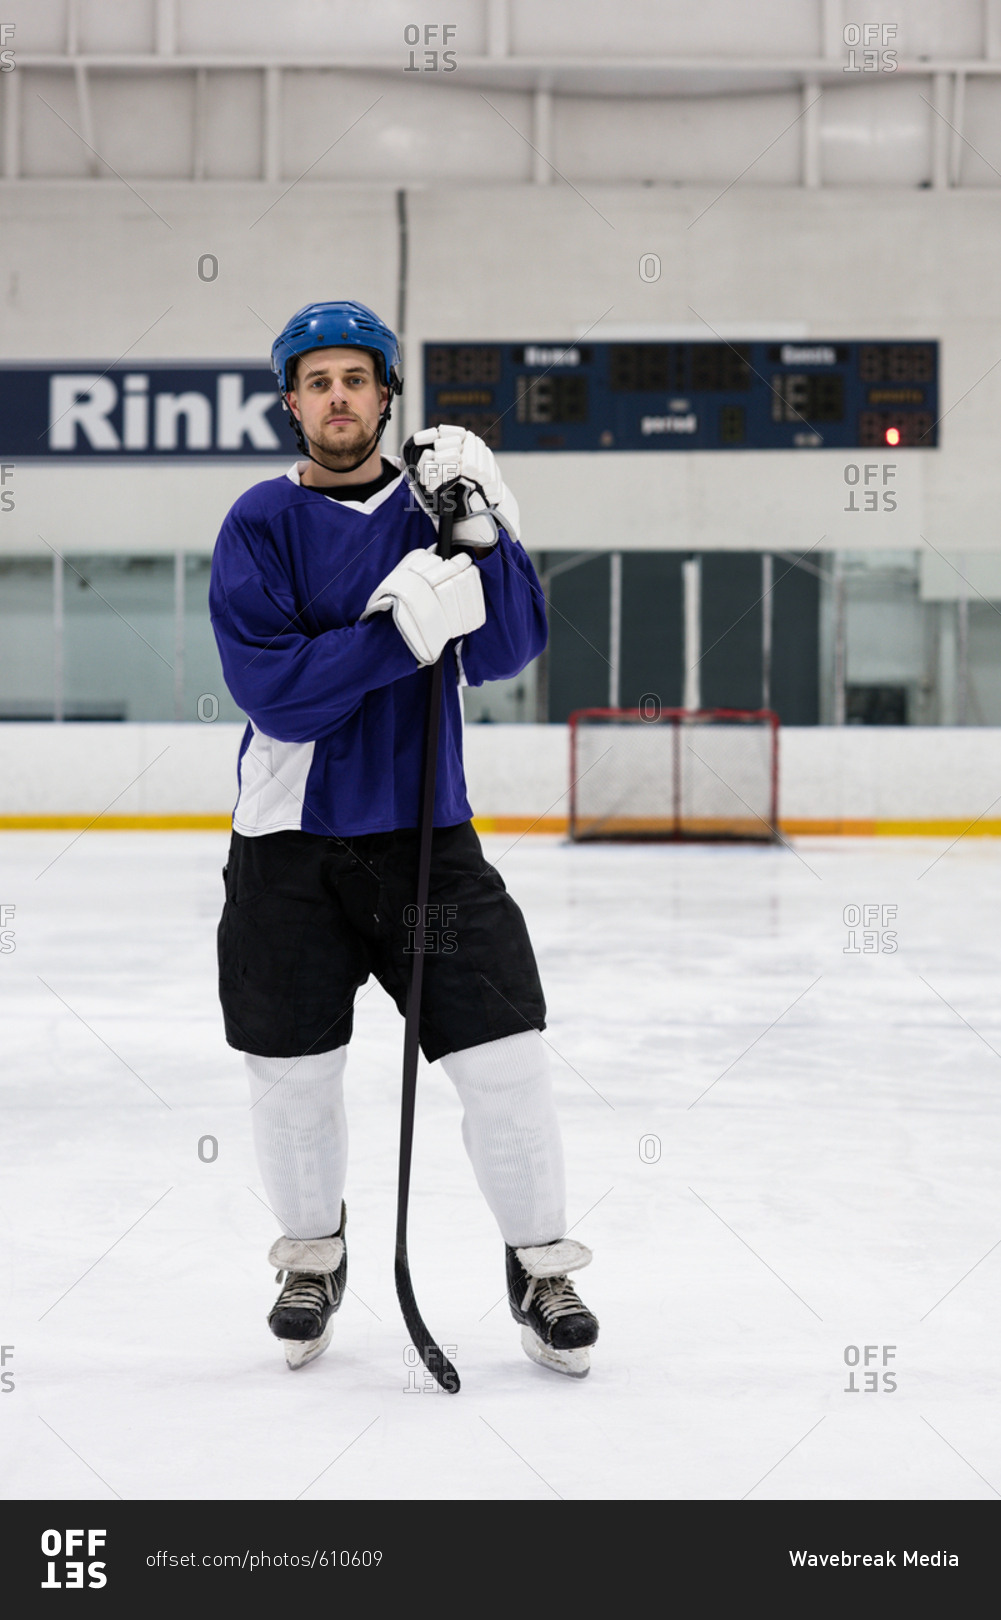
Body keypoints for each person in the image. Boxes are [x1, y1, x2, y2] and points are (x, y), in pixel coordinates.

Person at [209, 300, 598, 1378]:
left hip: (428, 838)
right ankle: (313, 1258)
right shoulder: (257, 523)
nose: (338, 397)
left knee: (506, 1060)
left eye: (356, 379)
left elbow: (508, 649)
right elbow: (280, 697)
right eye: (316, 380)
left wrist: (487, 528)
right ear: (291, 402)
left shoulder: (432, 504)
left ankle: (539, 1266)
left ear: (385, 396)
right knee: (290, 1073)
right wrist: (391, 635)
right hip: (288, 847)